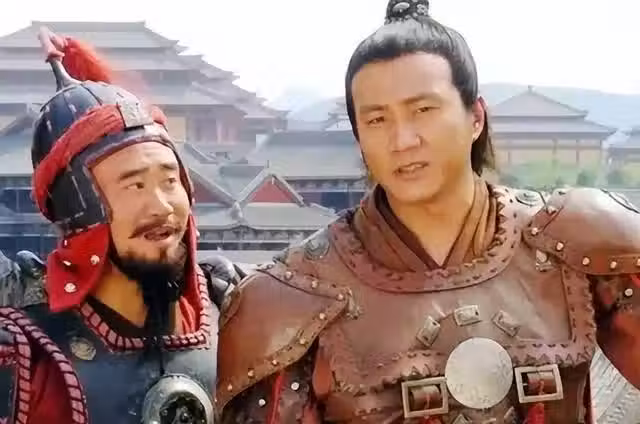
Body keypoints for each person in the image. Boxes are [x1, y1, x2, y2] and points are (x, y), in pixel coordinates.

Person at [215, 1, 640, 423]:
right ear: (359, 137)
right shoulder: (294, 294)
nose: (403, 140)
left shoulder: (572, 240)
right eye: (377, 120)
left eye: (423, 110)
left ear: (476, 117)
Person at [0, 27, 240, 424]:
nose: (162, 206)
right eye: (134, 186)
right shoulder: (24, 353)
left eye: (169, 181)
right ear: (79, 209)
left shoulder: (233, 312)